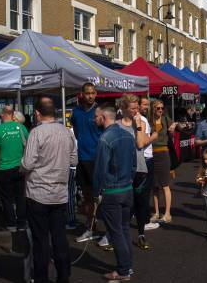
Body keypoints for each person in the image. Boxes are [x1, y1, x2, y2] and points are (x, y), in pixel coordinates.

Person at [21, 98, 77, 283]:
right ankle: (63, 277)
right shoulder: (67, 132)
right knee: (60, 238)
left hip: (38, 193)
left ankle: (41, 278)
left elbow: (28, 163)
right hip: (59, 194)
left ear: (37, 113)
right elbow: (74, 161)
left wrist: (21, 168)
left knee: (41, 241)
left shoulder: (36, 133)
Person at [93, 104, 137, 282]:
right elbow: (134, 165)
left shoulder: (105, 138)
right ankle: (127, 266)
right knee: (124, 229)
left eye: (96, 117)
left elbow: (100, 171)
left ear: (104, 117)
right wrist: (129, 181)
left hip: (113, 191)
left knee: (117, 231)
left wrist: (96, 193)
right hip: (127, 189)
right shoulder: (128, 135)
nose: (94, 120)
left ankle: (124, 270)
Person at [116, 95, 158, 250]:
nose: (136, 110)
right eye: (132, 108)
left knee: (141, 202)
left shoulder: (141, 122)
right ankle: (120, 236)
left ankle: (141, 234)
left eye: (136, 107)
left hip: (140, 168)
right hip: (124, 169)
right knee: (125, 203)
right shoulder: (118, 125)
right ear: (124, 108)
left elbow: (140, 144)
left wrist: (138, 124)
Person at [71, 82, 103, 242]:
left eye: (93, 93)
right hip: (82, 158)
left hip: (97, 159)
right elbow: (76, 132)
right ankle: (91, 226)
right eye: (87, 93)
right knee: (87, 196)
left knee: (101, 196)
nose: (90, 96)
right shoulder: (76, 112)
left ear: (96, 93)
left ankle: (109, 231)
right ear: (82, 94)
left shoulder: (100, 112)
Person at [0, 105, 29, 231]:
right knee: (20, 197)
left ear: (2, 115)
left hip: (4, 169)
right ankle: (22, 223)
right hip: (20, 168)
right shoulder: (22, 128)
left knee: (6, 198)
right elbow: (28, 147)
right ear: (12, 115)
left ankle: (11, 224)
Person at [148, 99, 177, 223]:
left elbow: (176, 126)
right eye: (158, 108)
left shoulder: (166, 119)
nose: (160, 110)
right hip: (151, 154)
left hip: (163, 153)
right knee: (154, 186)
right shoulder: (148, 121)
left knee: (165, 185)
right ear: (153, 109)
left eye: (162, 108)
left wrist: (174, 126)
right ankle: (156, 212)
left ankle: (167, 214)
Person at [138, 96, 160, 236]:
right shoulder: (142, 120)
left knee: (141, 191)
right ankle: (145, 221)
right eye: (144, 104)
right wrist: (154, 136)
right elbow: (142, 141)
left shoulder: (138, 119)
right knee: (144, 192)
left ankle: (141, 218)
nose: (146, 107)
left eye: (147, 105)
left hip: (143, 157)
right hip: (145, 157)